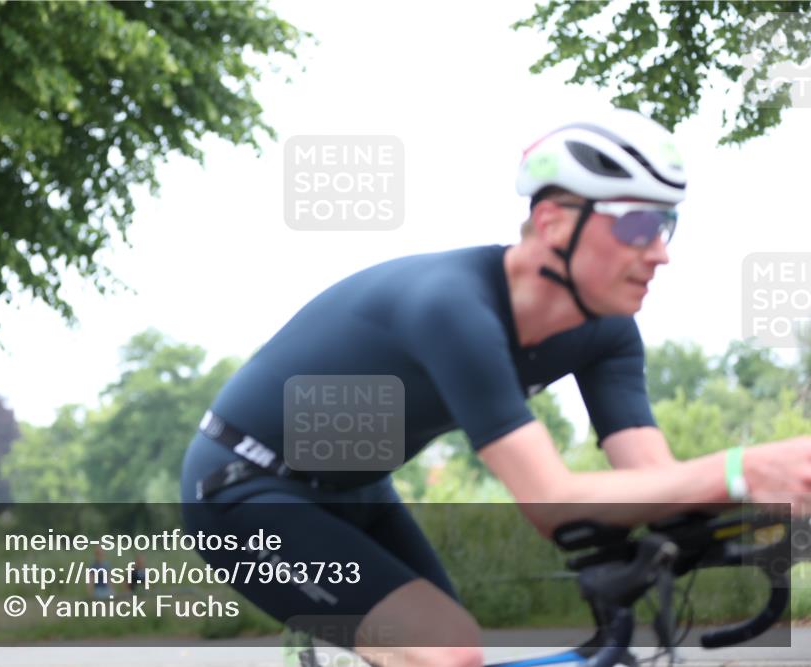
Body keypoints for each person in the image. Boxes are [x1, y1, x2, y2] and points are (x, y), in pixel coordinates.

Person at [179, 108, 811, 667]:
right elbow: (550, 502)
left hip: (359, 486)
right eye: (636, 226)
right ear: (554, 223)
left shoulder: (609, 332)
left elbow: (656, 480)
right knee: (447, 650)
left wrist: (778, 503)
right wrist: (742, 469)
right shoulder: (453, 307)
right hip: (242, 488)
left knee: (453, 650)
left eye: (666, 225)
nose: (660, 253)